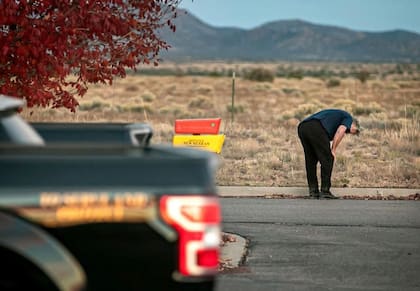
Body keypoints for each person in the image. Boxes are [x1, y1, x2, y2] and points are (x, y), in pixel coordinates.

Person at [297, 109, 361, 199]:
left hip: (303, 127)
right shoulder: (348, 118)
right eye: (355, 131)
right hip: (316, 127)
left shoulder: (336, 118)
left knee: (311, 161)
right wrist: (333, 150)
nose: (351, 132)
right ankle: (325, 191)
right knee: (328, 159)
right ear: (353, 124)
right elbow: (340, 131)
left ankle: (313, 191)